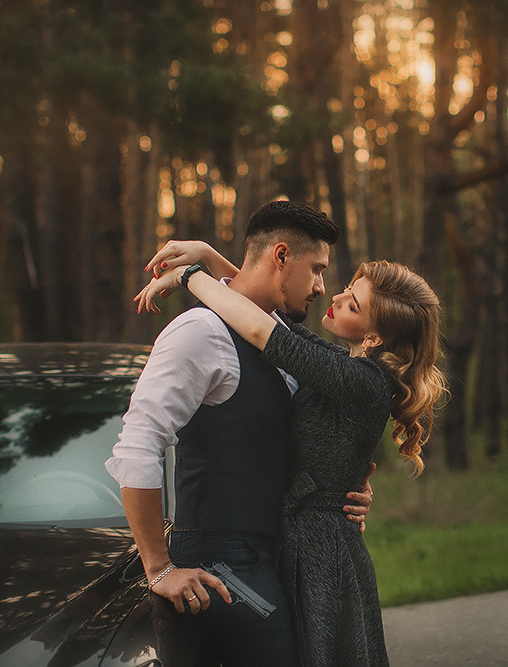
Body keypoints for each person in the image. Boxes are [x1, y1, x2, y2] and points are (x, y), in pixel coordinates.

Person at [136, 236, 446, 665]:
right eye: (348, 286)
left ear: (373, 335)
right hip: (293, 536)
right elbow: (264, 313)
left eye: (353, 303)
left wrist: (191, 277)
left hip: (320, 553)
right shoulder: (344, 365)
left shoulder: (361, 381)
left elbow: (263, 331)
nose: (334, 296)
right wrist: (210, 258)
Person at [106, 201, 373, 666]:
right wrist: (158, 567)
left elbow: (251, 310)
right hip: (220, 560)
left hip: (275, 554)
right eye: (317, 270)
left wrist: (343, 490)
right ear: (282, 256)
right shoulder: (199, 332)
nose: (321, 287)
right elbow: (139, 442)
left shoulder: (275, 336)